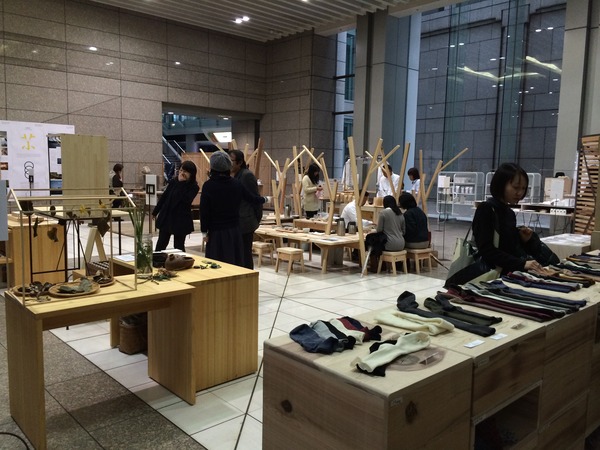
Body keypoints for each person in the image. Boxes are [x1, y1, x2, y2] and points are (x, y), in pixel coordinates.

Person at [472, 162, 551, 274]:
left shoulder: (509, 213)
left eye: (523, 188)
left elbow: (508, 248)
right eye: (515, 187)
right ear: (501, 184)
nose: (520, 193)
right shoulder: (486, 209)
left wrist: (523, 239)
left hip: (505, 274)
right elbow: (486, 250)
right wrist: (521, 264)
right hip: (487, 275)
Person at [200, 151, 268, 266]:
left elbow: (204, 211)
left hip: (216, 231)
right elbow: (252, 198)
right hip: (234, 230)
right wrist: (265, 199)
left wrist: (203, 231)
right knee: (234, 261)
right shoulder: (236, 184)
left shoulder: (208, 186)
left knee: (217, 262)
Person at [152, 160, 199, 252]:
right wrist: (155, 211)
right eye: (181, 170)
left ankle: (180, 261)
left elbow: (186, 200)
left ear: (191, 173)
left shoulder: (194, 187)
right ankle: (158, 259)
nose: (182, 173)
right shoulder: (173, 182)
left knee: (178, 246)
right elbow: (164, 197)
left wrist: (182, 183)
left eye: (185, 171)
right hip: (167, 216)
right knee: (161, 243)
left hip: (181, 219)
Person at [228, 149, 263, 269]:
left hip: (245, 222)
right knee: (237, 255)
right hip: (236, 221)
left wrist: (256, 219)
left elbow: (256, 199)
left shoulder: (246, 175)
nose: (228, 164)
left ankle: (248, 278)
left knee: (245, 255)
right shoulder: (232, 175)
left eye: (231, 161)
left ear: (239, 162)